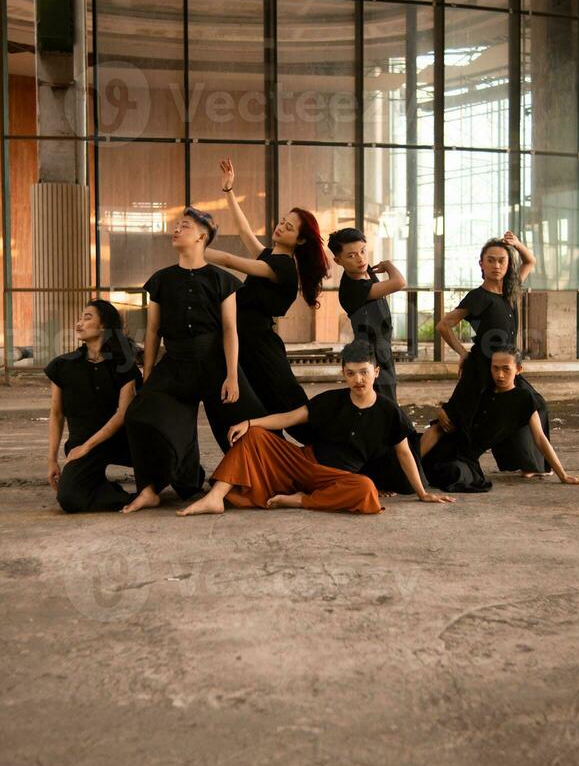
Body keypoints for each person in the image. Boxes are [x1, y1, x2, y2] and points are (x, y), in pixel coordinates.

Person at [176, 341, 454, 517]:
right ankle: (215, 497)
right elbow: (287, 419)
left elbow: (405, 453)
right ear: (343, 373)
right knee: (255, 437)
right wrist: (250, 422)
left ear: (376, 372)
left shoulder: (388, 411)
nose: (358, 379)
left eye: (364, 372)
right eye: (351, 373)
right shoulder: (331, 400)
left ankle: (298, 501)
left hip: (336, 478)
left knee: (366, 490)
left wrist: (422, 492)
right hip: (303, 462)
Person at [122, 206, 265, 514]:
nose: (176, 229)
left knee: (251, 426)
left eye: (184, 226)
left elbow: (230, 330)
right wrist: (147, 373)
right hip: (174, 364)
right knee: (138, 415)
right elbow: (152, 330)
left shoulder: (223, 280)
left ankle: (247, 481)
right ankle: (153, 487)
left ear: (202, 236)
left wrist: (231, 376)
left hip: (215, 365)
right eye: (176, 225)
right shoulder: (161, 280)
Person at [204, 159, 329, 438]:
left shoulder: (283, 268)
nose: (281, 227)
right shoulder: (270, 257)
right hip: (248, 343)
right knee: (261, 409)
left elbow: (229, 259)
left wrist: (196, 249)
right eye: (283, 221)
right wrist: (229, 191)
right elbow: (245, 230)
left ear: (300, 241)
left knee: (290, 411)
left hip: (261, 348)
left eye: (289, 227)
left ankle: (329, 455)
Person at [435, 232, 551, 477]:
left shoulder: (511, 290)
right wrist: (462, 353)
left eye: (502, 260)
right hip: (482, 366)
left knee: (531, 406)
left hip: (506, 366)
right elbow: (444, 324)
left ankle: (529, 464)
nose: (496, 265)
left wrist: (516, 244)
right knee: (462, 417)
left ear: (508, 264)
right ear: (481, 264)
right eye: (491, 260)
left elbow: (530, 261)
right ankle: (438, 460)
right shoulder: (478, 297)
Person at [420, 347, 579, 493]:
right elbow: (448, 414)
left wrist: (563, 475)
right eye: (495, 368)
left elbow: (540, 439)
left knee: (455, 473)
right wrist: (441, 410)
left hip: (465, 459)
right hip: (445, 444)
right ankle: (412, 471)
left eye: (506, 369)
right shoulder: (482, 391)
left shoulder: (523, 399)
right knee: (413, 452)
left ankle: (417, 474)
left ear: (518, 370)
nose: (500, 375)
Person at [46, 299, 141, 513]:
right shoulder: (63, 365)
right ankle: (126, 496)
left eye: (87, 317)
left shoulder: (124, 365)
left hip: (122, 440)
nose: (79, 323)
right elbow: (57, 413)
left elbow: (122, 413)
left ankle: (150, 491)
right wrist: (52, 459)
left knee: (171, 471)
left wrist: (88, 446)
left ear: (104, 326)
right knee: (69, 498)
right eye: (79, 318)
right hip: (82, 444)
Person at [329, 227, 405, 404]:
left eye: (363, 251)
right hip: (367, 356)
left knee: (386, 403)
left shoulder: (365, 270)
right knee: (382, 405)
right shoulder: (352, 289)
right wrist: (388, 265)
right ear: (338, 260)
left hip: (382, 350)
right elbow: (399, 282)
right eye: (351, 255)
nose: (360, 258)